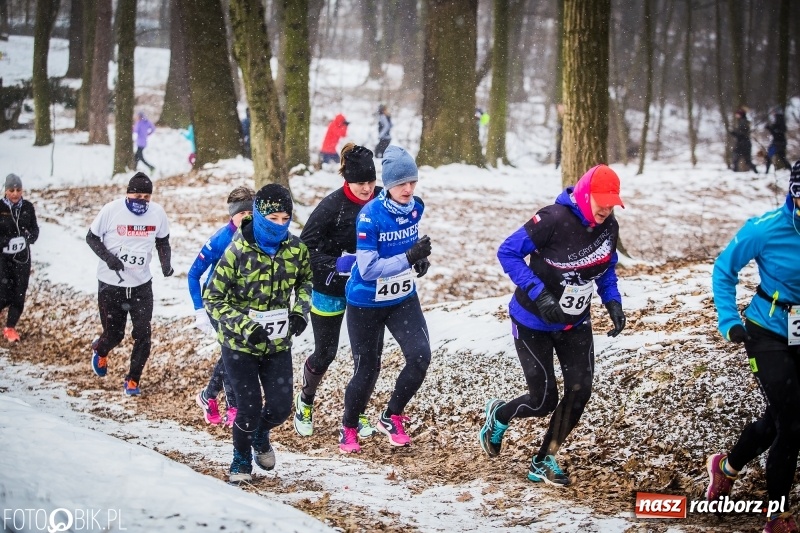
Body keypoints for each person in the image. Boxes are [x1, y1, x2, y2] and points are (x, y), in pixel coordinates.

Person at [478, 164, 626, 487]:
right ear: (585, 195)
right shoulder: (553, 219)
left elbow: (606, 267)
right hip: (532, 320)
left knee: (580, 391)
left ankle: (543, 458)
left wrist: (612, 300)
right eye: (601, 200)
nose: (606, 208)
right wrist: (539, 294)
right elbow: (507, 252)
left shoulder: (608, 226)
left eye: (612, 202)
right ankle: (499, 417)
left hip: (575, 322)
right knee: (543, 398)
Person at [706, 160, 800, 532]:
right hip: (766, 333)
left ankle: (726, 466)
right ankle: (776, 515)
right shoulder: (765, 229)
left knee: (779, 420)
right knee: (793, 424)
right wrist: (728, 320)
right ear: (794, 195)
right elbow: (723, 269)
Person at [203, 184, 312, 483]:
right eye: (273, 218)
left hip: (277, 344)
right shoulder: (237, 250)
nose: (280, 224)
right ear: (261, 217)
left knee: (279, 408)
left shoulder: (296, 249)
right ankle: (240, 459)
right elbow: (213, 298)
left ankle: (261, 435)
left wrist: (298, 313)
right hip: (239, 345)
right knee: (248, 408)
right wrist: (245, 327)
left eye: (285, 218)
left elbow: (305, 282)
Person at [338, 145, 433, 454]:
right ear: (388, 184)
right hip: (366, 301)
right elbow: (366, 270)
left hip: (402, 297)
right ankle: (349, 427)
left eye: (412, 182)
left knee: (420, 357)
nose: (408, 189)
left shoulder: (416, 207)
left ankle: (392, 415)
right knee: (368, 369)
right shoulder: (369, 217)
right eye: (401, 183)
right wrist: (408, 258)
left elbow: (409, 241)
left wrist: (418, 260)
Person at [295, 143, 383, 438]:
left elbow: (401, 231)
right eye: (361, 183)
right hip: (329, 287)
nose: (367, 188)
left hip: (365, 290)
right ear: (348, 180)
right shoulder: (331, 207)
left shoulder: (382, 199)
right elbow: (303, 249)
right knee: (326, 353)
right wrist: (336, 262)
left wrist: (416, 256)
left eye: (371, 181)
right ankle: (305, 401)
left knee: (365, 357)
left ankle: (355, 414)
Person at [86, 172, 173, 396]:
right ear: (127, 194)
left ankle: (133, 380)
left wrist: (166, 264)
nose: (142, 201)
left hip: (141, 285)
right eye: (137, 195)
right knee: (115, 334)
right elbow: (91, 238)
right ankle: (101, 349)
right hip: (110, 283)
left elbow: (163, 241)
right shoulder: (111, 210)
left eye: (146, 196)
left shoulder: (157, 213)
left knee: (143, 334)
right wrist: (109, 258)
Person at [189, 186, 255, 427]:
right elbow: (193, 274)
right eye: (242, 213)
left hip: (245, 304)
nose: (247, 217)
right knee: (233, 352)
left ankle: (208, 396)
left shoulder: (260, 237)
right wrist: (199, 311)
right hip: (217, 302)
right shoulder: (220, 239)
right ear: (232, 215)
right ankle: (234, 407)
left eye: (252, 212)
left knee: (236, 353)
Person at [0, 173, 39, 343]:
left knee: (19, 293)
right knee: (4, 293)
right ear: (5, 191)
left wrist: (28, 238)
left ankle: (10, 327)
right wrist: (6, 241)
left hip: (22, 258)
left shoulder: (28, 207)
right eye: (11, 190)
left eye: (18, 190)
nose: (15, 194)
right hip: (3, 258)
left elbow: (35, 230)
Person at [728, 108, 758, 173]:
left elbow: (741, 134)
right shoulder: (744, 121)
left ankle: (735, 171)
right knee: (747, 160)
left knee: (736, 158)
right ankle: (755, 171)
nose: (736, 115)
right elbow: (742, 132)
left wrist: (733, 132)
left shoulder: (743, 121)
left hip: (743, 143)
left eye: (737, 114)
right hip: (745, 143)